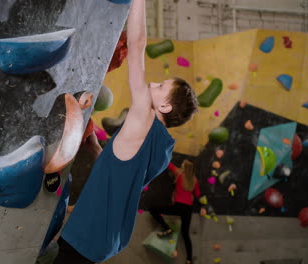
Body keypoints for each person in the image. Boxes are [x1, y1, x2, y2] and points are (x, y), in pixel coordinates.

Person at [53, 0, 198, 262]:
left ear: (164, 106)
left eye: (160, 85)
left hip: (86, 237)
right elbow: (120, 178)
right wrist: (98, 150)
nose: (152, 83)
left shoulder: (145, 118)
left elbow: (138, 43)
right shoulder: (163, 149)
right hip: (102, 241)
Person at [150, 159, 200, 264]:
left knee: (153, 209)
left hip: (178, 207)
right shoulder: (194, 180)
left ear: (185, 168)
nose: (181, 166)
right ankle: (189, 259)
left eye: (182, 165)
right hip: (188, 209)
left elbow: (169, 165)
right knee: (185, 234)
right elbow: (198, 195)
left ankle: (167, 228)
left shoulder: (180, 174)